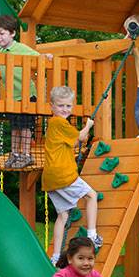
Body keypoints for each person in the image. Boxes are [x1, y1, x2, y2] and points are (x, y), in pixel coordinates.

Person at [43, 86, 102, 263]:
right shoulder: (60, 122)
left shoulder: (53, 125)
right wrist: (89, 125)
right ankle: (92, 236)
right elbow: (82, 138)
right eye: (61, 106)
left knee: (63, 216)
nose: (65, 110)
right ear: (52, 106)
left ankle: (55, 257)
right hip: (63, 174)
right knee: (92, 196)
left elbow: (73, 142)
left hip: (50, 178)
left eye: (68, 106)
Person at [0, 14, 47, 169]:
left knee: (24, 127)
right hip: (13, 97)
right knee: (15, 127)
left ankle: (26, 155)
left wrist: (46, 56)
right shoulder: (0, 52)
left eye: (2, 33)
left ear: (13, 33)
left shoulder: (20, 48)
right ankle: (15, 153)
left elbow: (37, 56)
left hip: (27, 95)